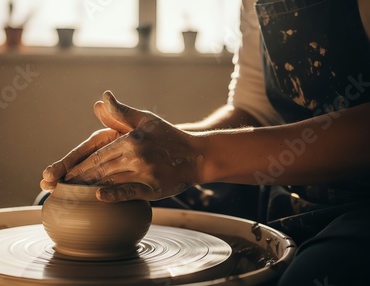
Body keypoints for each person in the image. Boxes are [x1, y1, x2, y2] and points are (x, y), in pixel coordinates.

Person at [41, 0, 370, 284]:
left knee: (314, 274)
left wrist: (197, 158)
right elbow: (254, 110)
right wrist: (158, 147)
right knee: (69, 202)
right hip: (283, 179)